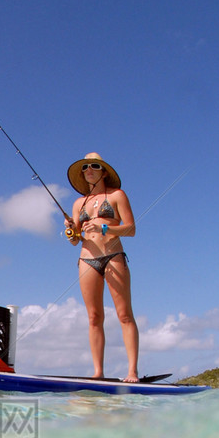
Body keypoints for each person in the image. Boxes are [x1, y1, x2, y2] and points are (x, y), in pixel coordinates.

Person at [64, 153, 139, 383]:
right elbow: (75, 239)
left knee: (124, 314)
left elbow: (131, 229)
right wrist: (71, 231)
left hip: (113, 255)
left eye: (94, 166)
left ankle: (132, 372)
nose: (89, 169)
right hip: (87, 259)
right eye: (85, 166)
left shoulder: (117, 196)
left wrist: (106, 228)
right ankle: (98, 372)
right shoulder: (79, 203)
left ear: (103, 171)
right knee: (94, 317)